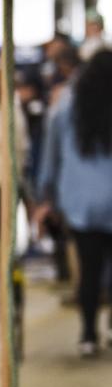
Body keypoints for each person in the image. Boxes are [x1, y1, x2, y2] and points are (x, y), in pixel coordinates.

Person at [36, 49, 112, 357]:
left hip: (80, 201)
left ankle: (88, 334)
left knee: (89, 268)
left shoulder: (66, 104)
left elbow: (51, 152)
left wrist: (45, 194)